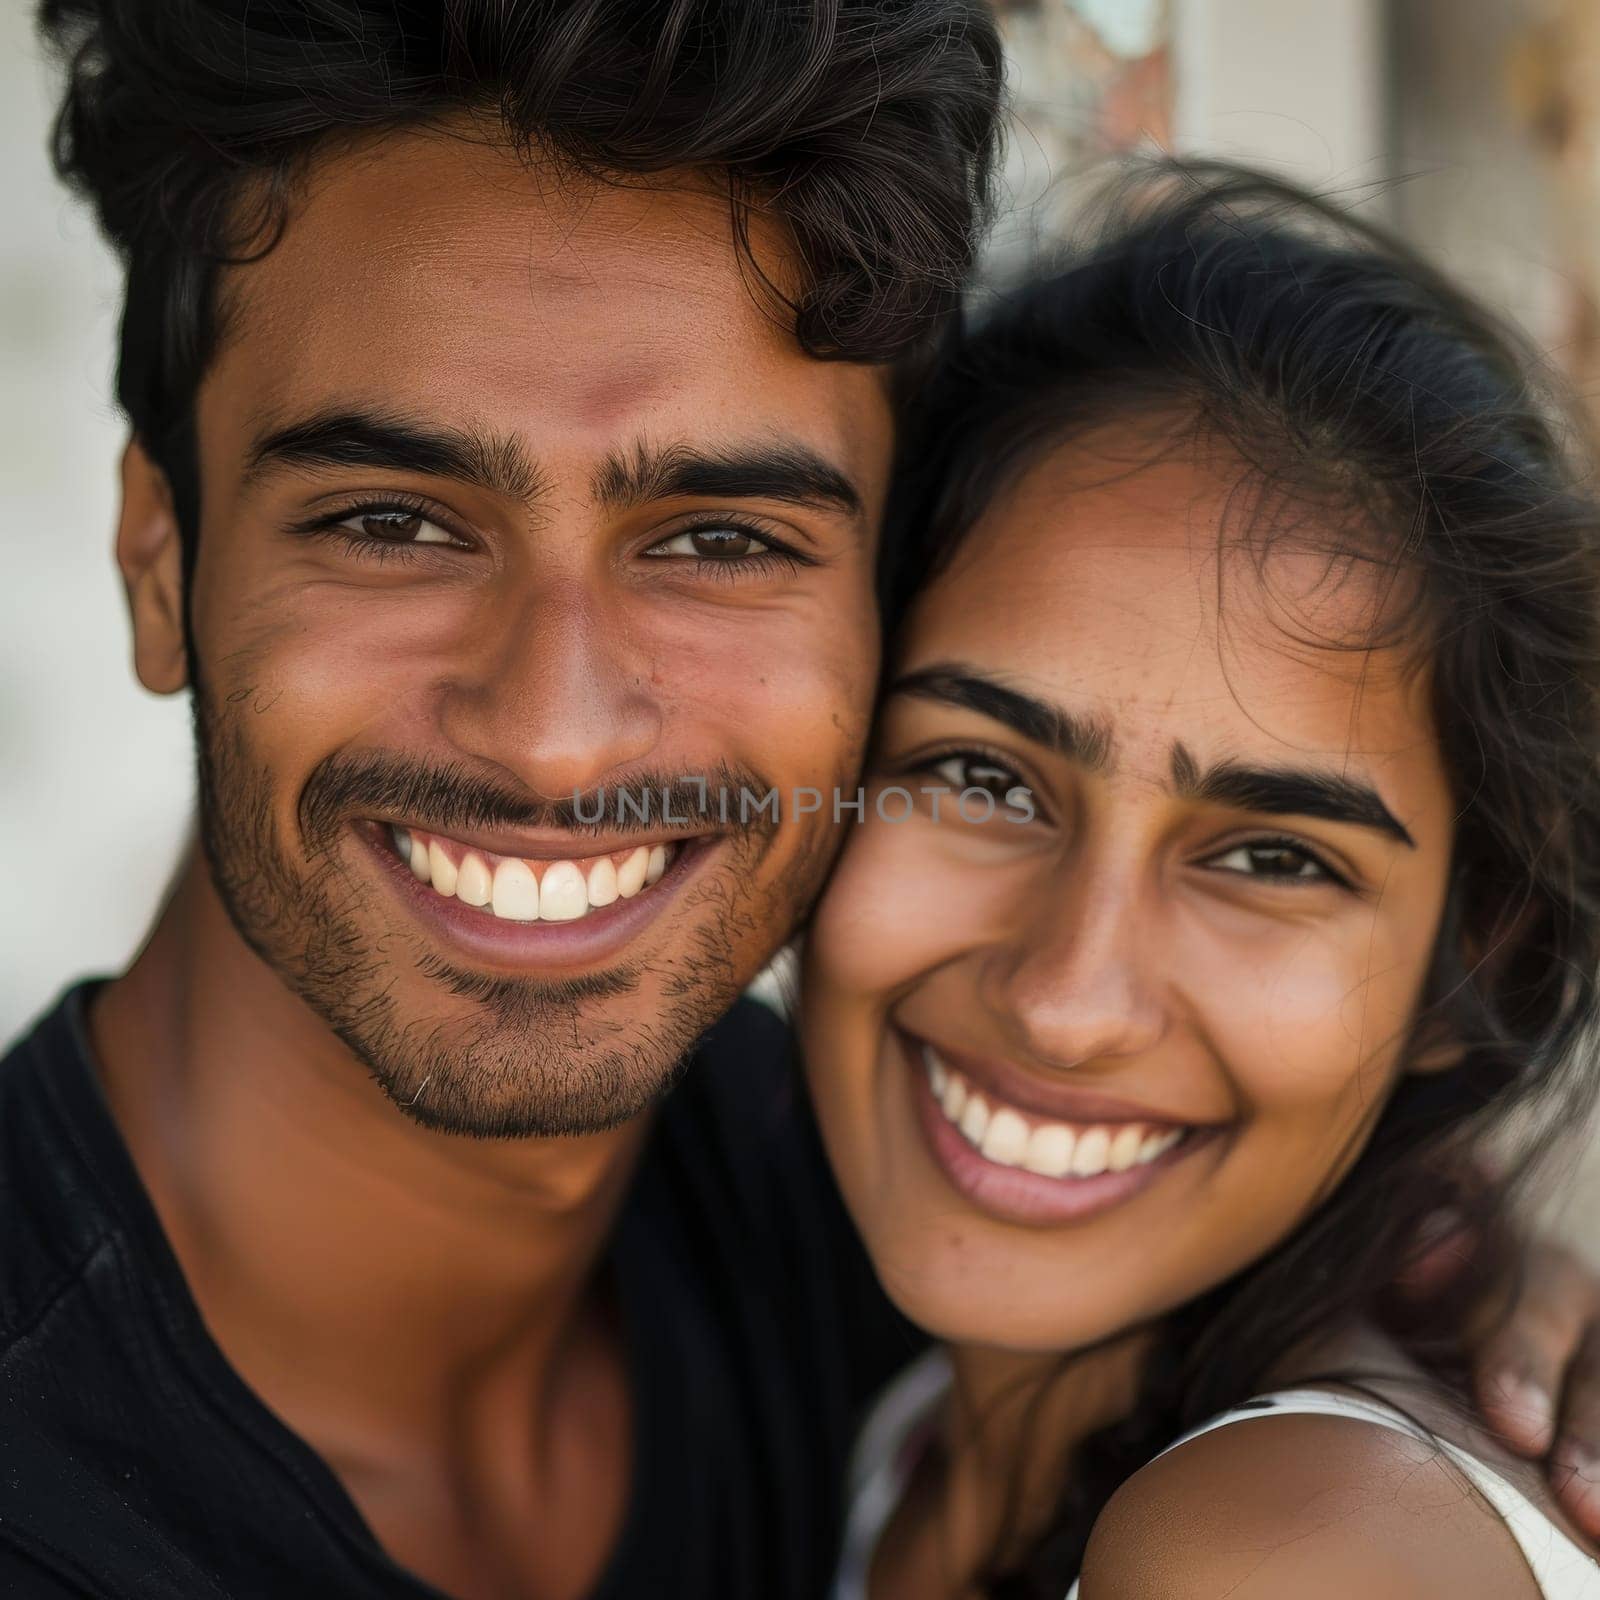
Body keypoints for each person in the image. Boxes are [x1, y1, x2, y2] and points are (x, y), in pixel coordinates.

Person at [4, 3, 1596, 1595]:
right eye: (391, 522)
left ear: (884, 612)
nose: (555, 737)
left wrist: (1406, 1265)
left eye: (720, 540)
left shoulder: (859, 1204)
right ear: (161, 562)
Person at [803, 167, 1600, 1598]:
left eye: (1273, 858)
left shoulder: (1281, 1550)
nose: (1066, 1001)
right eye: (984, 779)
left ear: (1467, 957)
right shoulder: (898, 1428)